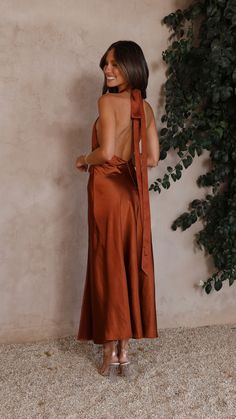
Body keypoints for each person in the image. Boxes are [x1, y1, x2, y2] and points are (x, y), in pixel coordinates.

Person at [75, 40, 160, 376]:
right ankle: (125, 351)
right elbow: (152, 158)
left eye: (114, 64)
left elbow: (106, 152)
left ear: (131, 66)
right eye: (105, 64)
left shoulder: (107, 101)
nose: (107, 70)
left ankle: (109, 351)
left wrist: (84, 159)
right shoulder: (146, 107)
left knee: (107, 262)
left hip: (107, 189)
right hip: (132, 192)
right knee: (125, 261)